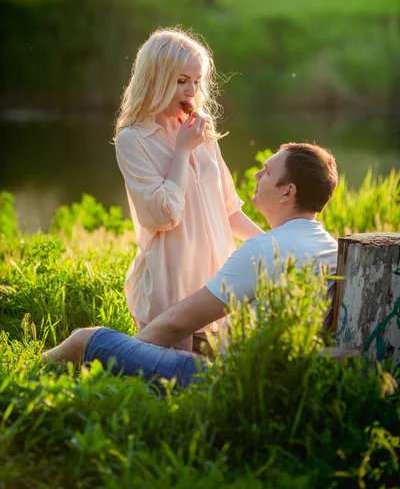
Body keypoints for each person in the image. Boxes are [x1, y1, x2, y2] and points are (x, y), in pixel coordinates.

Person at [44, 142, 340, 386]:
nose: (256, 177)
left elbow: (177, 323)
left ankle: (27, 375)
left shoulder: (263, 249)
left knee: (85, 339)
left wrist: (127, 353)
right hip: (279, 378)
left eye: (266, 171)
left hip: (231, 381)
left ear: (287, 192)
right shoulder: (330, 246)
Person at [113, 27, 263, 352]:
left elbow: (229, 209)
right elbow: (163, 215)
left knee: (214, 384)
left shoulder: (199, 129)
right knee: (169, 385)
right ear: (155, 79)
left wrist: (271, 245)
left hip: (216, 290)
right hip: (170, 288)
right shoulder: (133, 139)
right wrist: (182, 151)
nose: (191, 90)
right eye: (182, 81)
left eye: (196, 81)